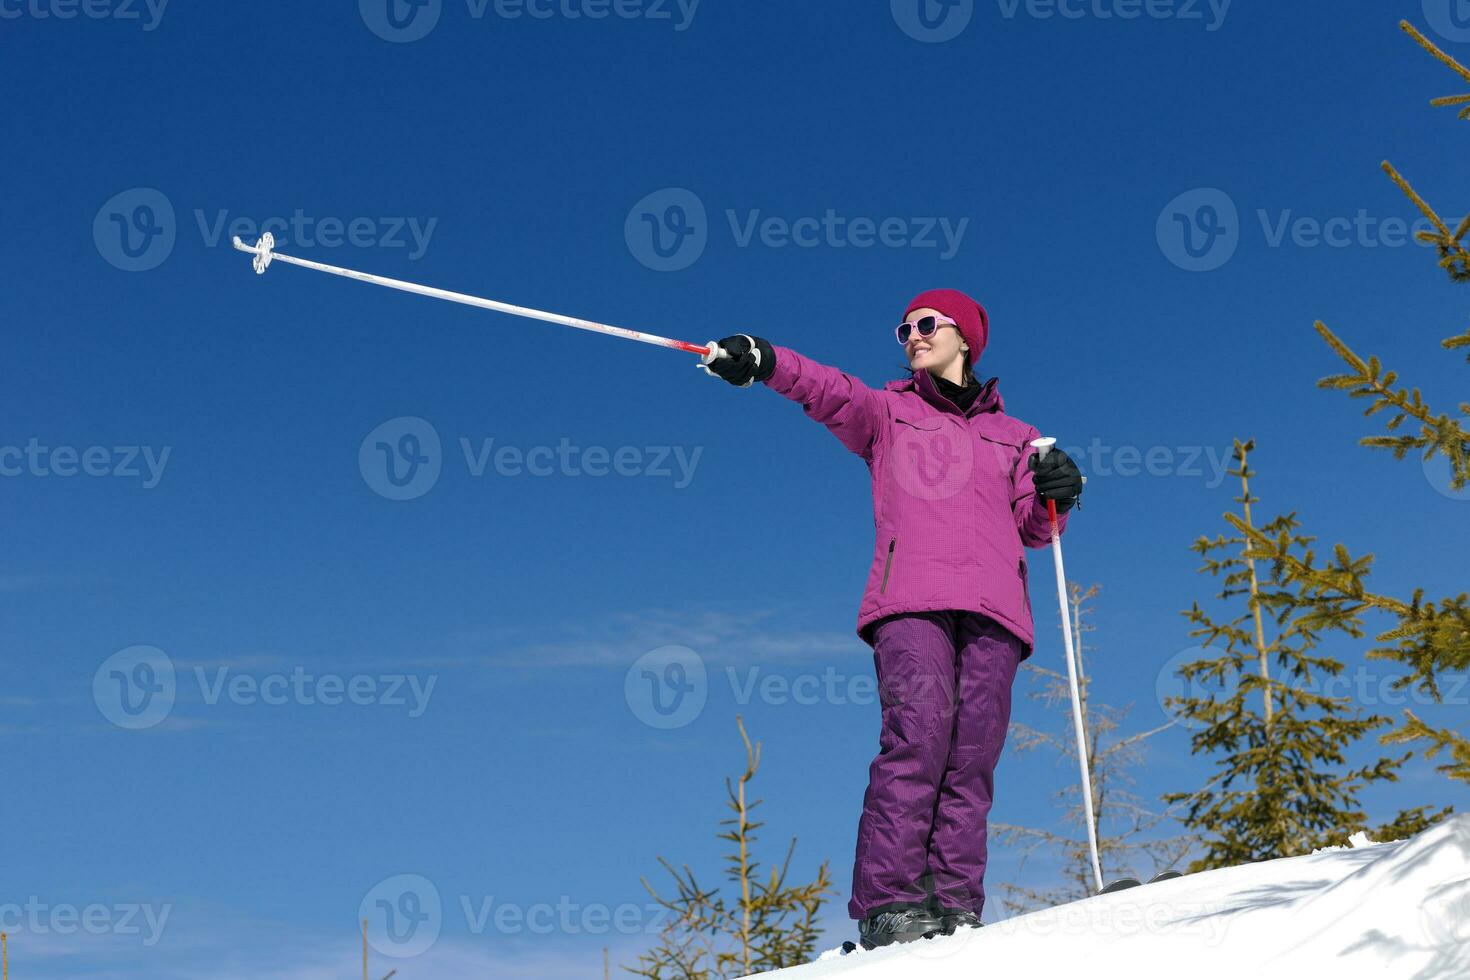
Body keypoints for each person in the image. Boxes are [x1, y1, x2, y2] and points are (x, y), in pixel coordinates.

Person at [701, 288, 1083, 949]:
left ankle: (956, 904)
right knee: (919, 739)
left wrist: (1060, 491)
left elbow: (1035, 527)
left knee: (973, 759)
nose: (911, 334)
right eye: (903, 327)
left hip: (996, 610)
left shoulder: (1017, 436)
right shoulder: (886, 413)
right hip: (911, 599)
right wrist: (763, 360)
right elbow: (824, 389)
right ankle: (890, 904)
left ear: (965, 337)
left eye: (926, 323)